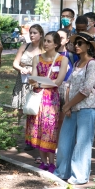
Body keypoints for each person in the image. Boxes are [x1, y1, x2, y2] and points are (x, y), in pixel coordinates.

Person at [54, 32, 95, 184]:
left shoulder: (92, 64)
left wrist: (68, 104)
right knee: (64, 141)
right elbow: (69, 85)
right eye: (76, 43)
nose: (77, 46)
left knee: (82, 143)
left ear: (89, 46)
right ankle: (62, 171)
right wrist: (67, 105)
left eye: (80, 43)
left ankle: (79, 176)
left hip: (86, 108)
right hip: (71, 108)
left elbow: (86, 90)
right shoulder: (76, 63)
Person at [26, 31, 68, 173]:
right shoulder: (37, 59)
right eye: (45, 41)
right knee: (38, 128)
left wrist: (39, 84)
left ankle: (52, 162)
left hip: (51, 99)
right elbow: (33, 78)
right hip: (38, 98)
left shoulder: (62, 59)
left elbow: (58, 81)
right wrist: (36, 83)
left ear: (56, 44)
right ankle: (43, 162)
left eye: (49, 41)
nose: (46, 43)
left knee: (50, 130)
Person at [12, 24, 44, 124]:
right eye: (30, 33)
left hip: (36, 82)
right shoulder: (24, 46)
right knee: (20, 108)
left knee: (33, 107)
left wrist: (33, 71)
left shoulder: (44, 48)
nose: (32, 35)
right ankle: (19, 130)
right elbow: (15, 63)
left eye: (35, 33)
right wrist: (21, 68)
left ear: (41, 34)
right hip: (22, 81)